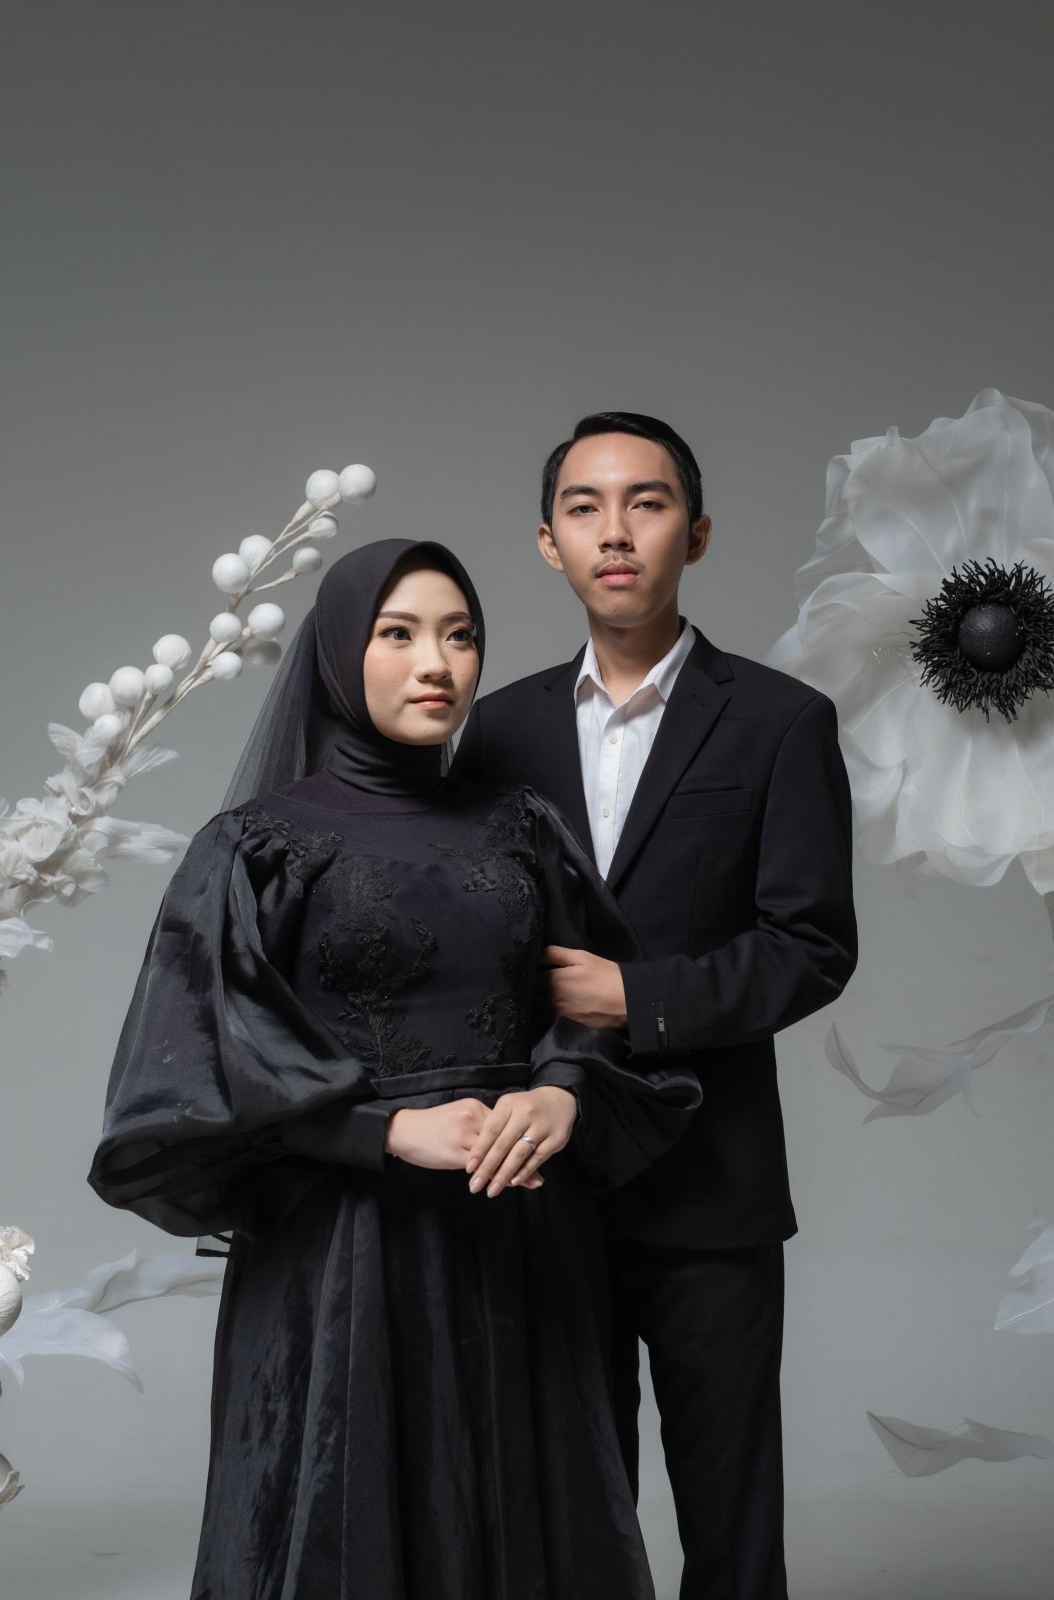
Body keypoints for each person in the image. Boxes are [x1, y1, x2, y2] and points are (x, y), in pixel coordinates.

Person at [88, 537, 702, 1600]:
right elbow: (195, 1067)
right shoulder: (255, 847)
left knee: (531, 1517)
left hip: (518, 1234)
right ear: (339, 654)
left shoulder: (523, 827)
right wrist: (385, 1130)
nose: (436, 663)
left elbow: (588, 999)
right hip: (343, 1253)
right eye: (399, 634)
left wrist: (559, 1092)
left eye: (459, 636)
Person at [455, 413, 859, 1600]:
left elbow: (811, 948)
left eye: (646, 501)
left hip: (711, 1187)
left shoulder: (780, 720)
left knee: (730, 1523)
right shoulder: (497, 731)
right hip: (543, 1186)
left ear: (697, 531)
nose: (615, 532)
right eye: (583, 507)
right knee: (564, 1516)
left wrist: (634, 995)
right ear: (547, 542)